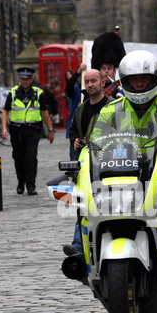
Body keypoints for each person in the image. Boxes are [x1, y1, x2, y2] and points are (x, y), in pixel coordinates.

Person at [64, 50, 157, 256]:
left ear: (155, 79)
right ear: (124, 81)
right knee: (86, 205)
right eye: (134, 80)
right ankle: (86, 253)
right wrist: (83, 164)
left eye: (144, 79)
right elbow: (93, 145)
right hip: (122, 176)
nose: (139, 84)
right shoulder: (111, 110)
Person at [62, 69, 112, 256]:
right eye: (87, 81)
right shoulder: (81, 108)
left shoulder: (113, 106)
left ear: (102, 83)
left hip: (110, 164)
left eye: (93, 81)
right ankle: (78, 246)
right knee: (85, 205)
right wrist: (75, 140)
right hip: (87, 166)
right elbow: (74, 130)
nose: (90, 85)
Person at [1, 67, 54, 195]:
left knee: (30, 157)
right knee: (18, 158)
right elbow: (5, 111)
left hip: (33, 130)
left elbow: (44, 112)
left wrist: (50, 130)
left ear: (31, 80)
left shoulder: (38, 93)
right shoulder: (13, 93)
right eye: (22, 79)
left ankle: (31, 185)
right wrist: (3, 128)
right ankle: (21, 182)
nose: (24, 81)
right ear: (19, 79)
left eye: (27, 79)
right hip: (16, 130)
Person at [65, 63, 87, 159]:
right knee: (75, 159)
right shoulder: (76, 89)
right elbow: (69, 86)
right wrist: (77, 73)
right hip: (76, 128)